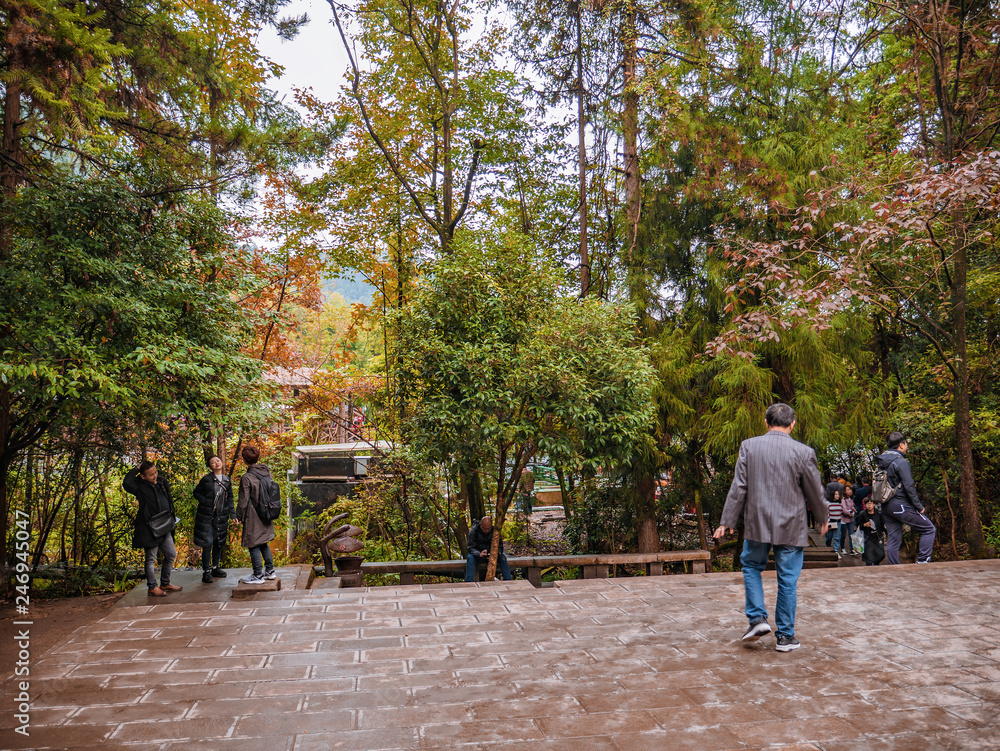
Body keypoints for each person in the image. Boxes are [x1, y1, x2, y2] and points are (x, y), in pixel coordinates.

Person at [713, 403, 827, 652]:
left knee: (751, 566)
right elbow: (814, 491)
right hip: (791, 524)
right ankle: (785, 637)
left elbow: (739, 486)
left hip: (757, 523)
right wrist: (823, 518)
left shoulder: (749, 446)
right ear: (792, 424)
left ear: (766, 423)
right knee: (788, 578)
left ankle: (757, 619)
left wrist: (727, 521)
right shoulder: (803, 451)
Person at [123, 461, 183, 597]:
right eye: (151, 475)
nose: (155, 476)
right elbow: (127, 483)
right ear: (143, 476)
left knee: (171, 554)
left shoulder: (161, 482)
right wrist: (136, 469)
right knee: (150, 559)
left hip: (165, 524)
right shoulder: (140, 486)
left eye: (155, 472)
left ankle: (165, 582)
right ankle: (152, 586)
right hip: (149, 527)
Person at [877, 432, 935, 564]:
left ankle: (893, 568)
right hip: (900, 504)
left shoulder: (882, 461)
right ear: (901, 445)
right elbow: (909, 486)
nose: (907, 446)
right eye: (906, 444)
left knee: (893, 538)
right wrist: (918, 506)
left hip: (886, 505)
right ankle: (922, 562)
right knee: (929, 529)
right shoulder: (901, 462)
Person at [237, 446, 278, 584]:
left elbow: (243, 500)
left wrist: (239, 516)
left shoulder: (247, 477)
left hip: (253, 515)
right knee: (263, 543)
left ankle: (257, 575)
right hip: (266, 513)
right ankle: (270, 571)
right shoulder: (266, 472)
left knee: (253, 544)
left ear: (244, 460)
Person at [192, 456, 235, 584]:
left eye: (218, 461)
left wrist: (233, 515)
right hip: (207, 516)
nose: (216, 463)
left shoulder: (227, 481)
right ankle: (206, 571)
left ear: (222, 463)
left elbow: (230, 499)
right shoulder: (206, 480)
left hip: (221, 516)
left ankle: (215, 568)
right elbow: (196, 493)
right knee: (208, 542)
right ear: (210, 466)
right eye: (212, 462)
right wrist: (205, 501)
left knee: (218, 541)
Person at [465, 516, 512, 582]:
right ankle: (469, 581)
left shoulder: (495, 531)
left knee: (502, 557)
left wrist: (494, 554)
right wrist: (479, 553)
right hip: (478, 555)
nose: (486, 531)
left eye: (488, 529)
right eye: (484, 529)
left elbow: (500, 547)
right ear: (480, 525)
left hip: (492, 555)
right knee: (470, 558)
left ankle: (508, 579)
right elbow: (470, 547)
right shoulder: (474, 531)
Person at [856, 497, 885, 566]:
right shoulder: (862, 514)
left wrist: (885, 534)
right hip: (867, 537)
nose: (869, 505)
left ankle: (876, 566)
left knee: (880, 554)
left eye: (871, 503)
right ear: (865, 505)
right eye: (867, 504)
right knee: (868, 556)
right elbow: (858, 525)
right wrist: (864, 525)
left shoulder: (879, 513)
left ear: (874, 504)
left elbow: (882, 524)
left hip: (878, 537)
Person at [838, 485, 858, 556]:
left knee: (851, 534)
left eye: (850, 489)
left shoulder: (851, 499)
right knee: (843, 534)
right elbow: (843, 509)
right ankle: (842, 548)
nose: (850, 491)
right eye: (848, 490)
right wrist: (850, 512)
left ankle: (852, 549)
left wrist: (853, 508)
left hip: (851, 519)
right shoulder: (843, 499)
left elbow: (851, 506)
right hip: (843, 519)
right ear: (844, 491)